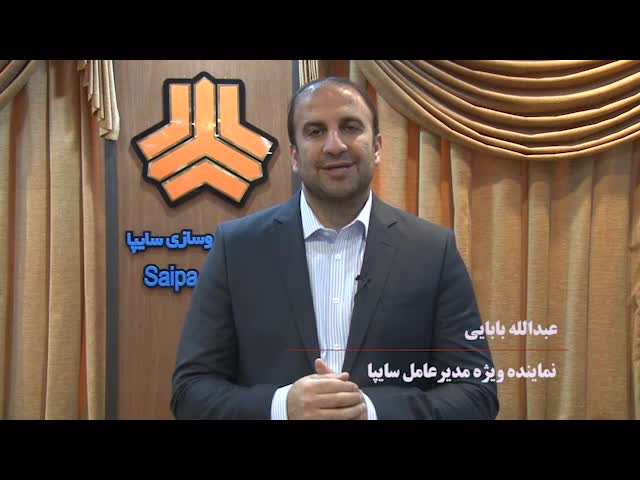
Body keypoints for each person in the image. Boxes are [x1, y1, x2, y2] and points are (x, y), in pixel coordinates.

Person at [170, 77, 499, 420]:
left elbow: (477, 393)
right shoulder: (236, 249)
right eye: (315, 131)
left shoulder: (433, 251)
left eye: (350, 127)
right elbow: (190, 392)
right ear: (294, 156)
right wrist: (282, 407)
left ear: (377, 147)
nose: (334, 145)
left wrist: (371, 412)